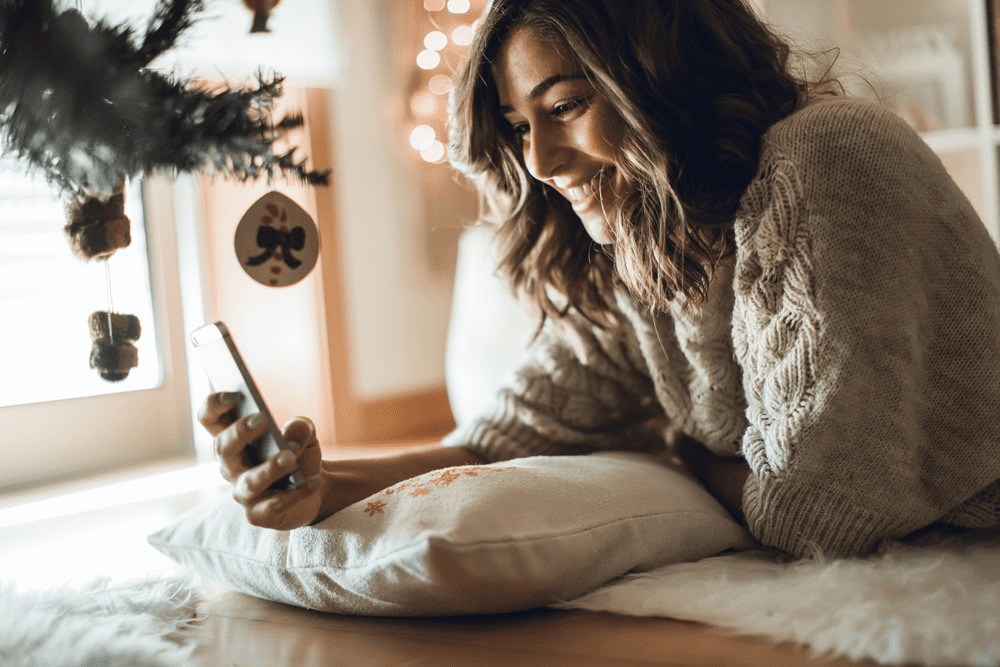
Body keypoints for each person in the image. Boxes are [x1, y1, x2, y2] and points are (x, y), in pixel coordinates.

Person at [200, 0, 1000, 558]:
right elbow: (498, 440)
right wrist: (323, 480)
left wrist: (677, 451)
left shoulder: (824, 155)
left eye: (567, 105)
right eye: (519, 128)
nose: (541, 164)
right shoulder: (647, 240)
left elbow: (813, 515)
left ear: (661, 73)